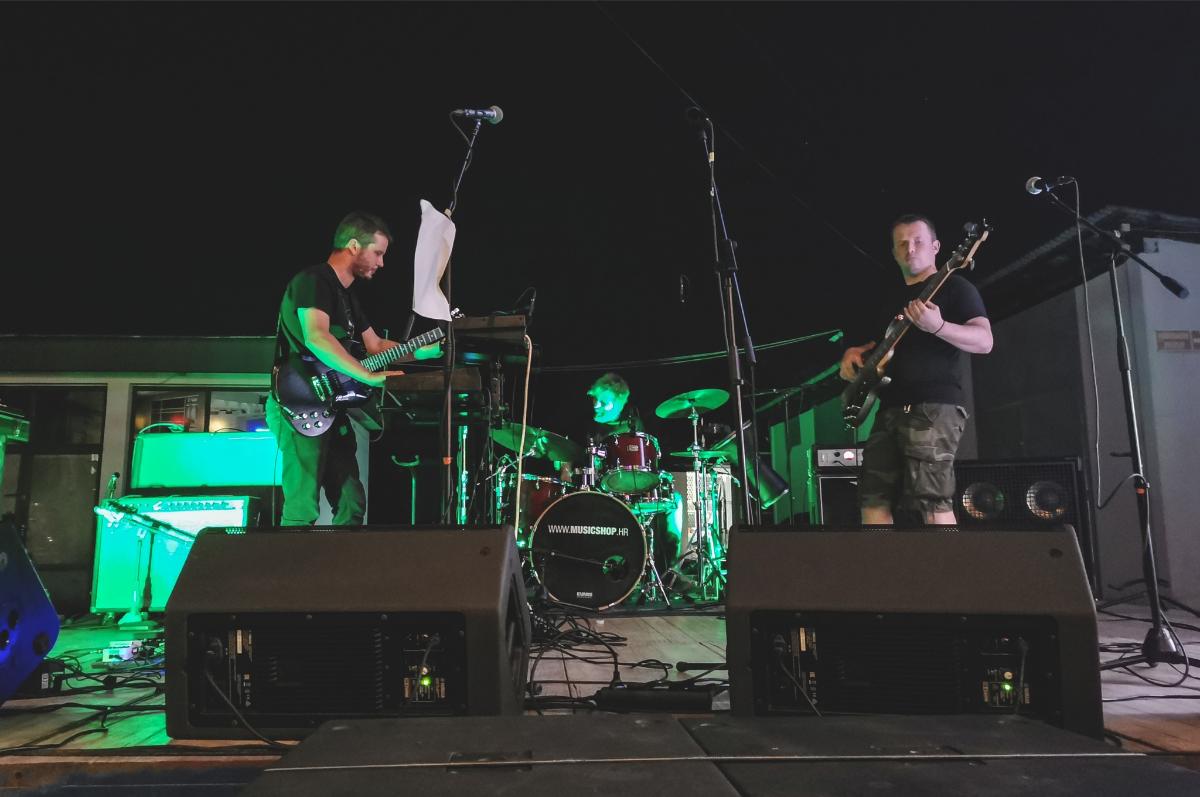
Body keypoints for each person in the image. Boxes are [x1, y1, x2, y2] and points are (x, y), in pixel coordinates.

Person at [266, 210, 439, 526]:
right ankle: (291, 559)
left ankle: (339, 559)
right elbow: (317, 336)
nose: (381, 263)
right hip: (299, 403)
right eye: (378, 253)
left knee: (351, 504)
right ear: (355, 246)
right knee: (303, 507)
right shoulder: (314, 281)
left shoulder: (347, 297)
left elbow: (376, 346)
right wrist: (366, 376)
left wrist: (425, 350)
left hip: (331, 407)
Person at [839, 213, 993, 526]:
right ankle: (883, 560)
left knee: (932, 501)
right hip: (889, 408)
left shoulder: (956, 287)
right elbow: (880, 346)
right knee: (872, 501)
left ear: (936, 247)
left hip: (933, 407)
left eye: (918, 241)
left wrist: (938, 326)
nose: (910, 248)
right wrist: (854, 355)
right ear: (894, 253)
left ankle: (946, 561)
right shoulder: (890, 300)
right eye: (902, 244)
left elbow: (984, 341)